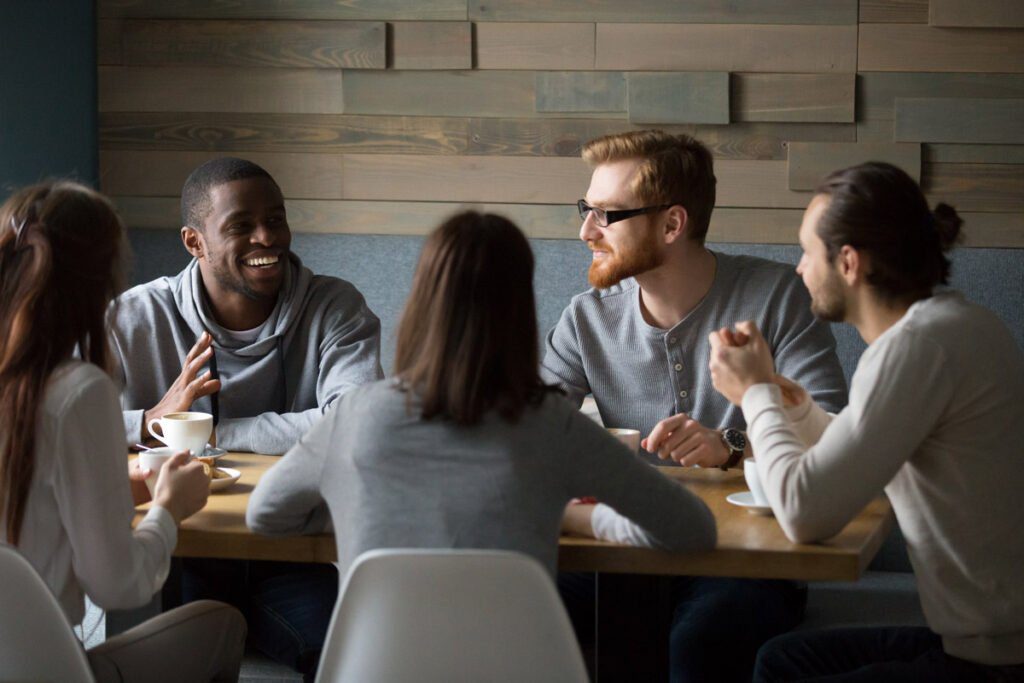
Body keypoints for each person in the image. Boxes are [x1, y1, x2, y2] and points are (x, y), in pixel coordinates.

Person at [247, 210, 717, 585]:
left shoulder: (356, 415)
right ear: (519, 311)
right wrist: (585, 521)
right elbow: (692, 529)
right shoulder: (552, 424)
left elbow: (266, 514)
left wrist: (358, 517)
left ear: (421, 301)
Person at [542, 130, 848, 682]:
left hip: (747, 560)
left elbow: (834, 435)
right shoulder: (585, 318)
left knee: (699, 646)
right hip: (620, 547)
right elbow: (528, 432)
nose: (585, 230)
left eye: (606, 215)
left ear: (672, 224)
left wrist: (729, 445)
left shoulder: (776, 297)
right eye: (585, 209)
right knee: (505, 600)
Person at [707, 162, 1024, 682]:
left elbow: (805, 514)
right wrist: (795, 406)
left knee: (780, 670)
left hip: (996, 663)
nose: (799, 269)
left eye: (808, 252)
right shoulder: (952, 325)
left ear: (848, 262)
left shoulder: (918, 347)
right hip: (983, 641)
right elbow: (856, 449)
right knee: (780, 660)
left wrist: (756, 394)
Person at [108, 157, 383, 680]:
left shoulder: (334, 306)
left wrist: (218, 432)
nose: (267, 237)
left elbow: (358, 422)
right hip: (173, 553)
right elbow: (50, 418)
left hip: (288, 554)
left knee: (349, 652)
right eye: (241, 225)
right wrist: (149, 419)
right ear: (194, 242)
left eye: (275, 219)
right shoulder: (132, 317)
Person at [0, 181, 246, 682]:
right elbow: (118, 586)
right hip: (45, 670)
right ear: (101, 277)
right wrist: (168, 508)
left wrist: (122, 487)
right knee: (224, 622)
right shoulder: (75, 391)